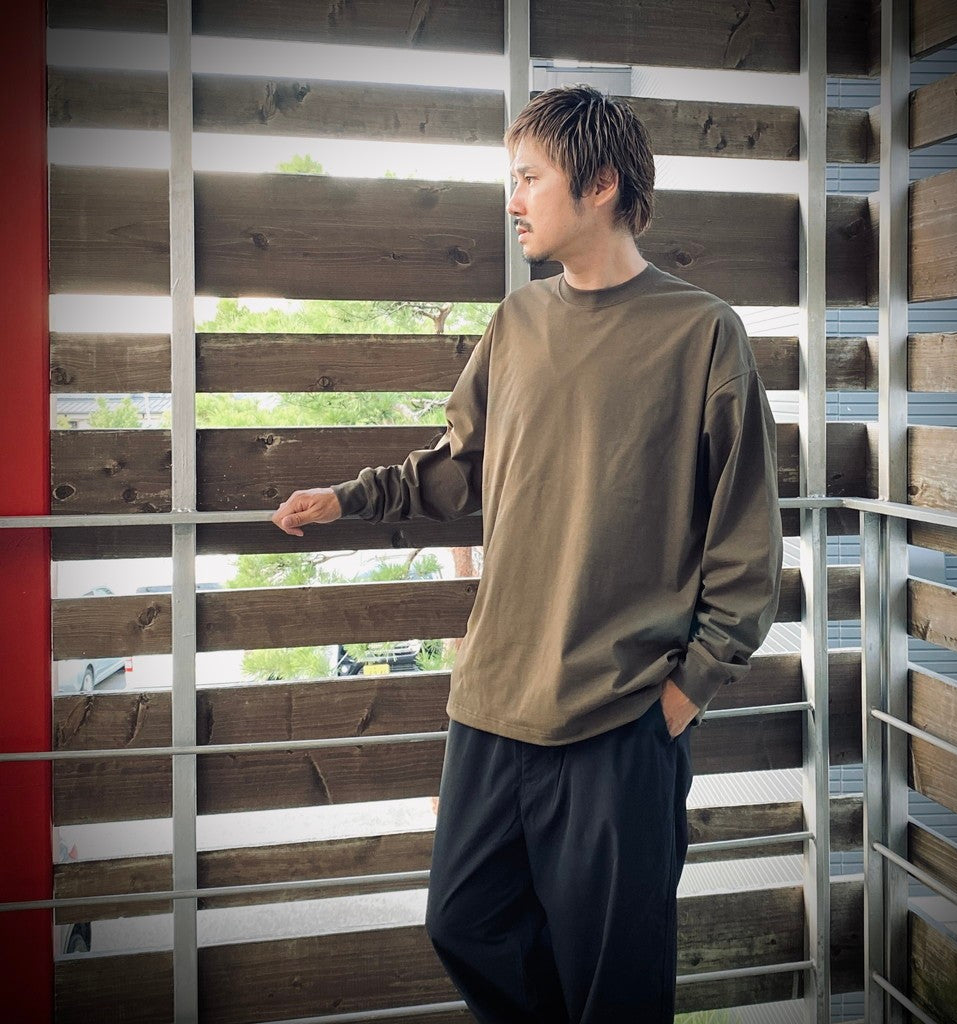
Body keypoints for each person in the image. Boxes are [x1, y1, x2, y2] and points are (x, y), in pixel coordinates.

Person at [272, 84, 783, 1024]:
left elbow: (746, 542)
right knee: (463, 923)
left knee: (614, 985)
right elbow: (458, 469)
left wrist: (684, 696)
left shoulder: (704, 334)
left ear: (599, 183)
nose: (512, 201)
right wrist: (350, 498)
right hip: (495, 702)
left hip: (621, 718)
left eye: (527, 178)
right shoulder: (516, 323)